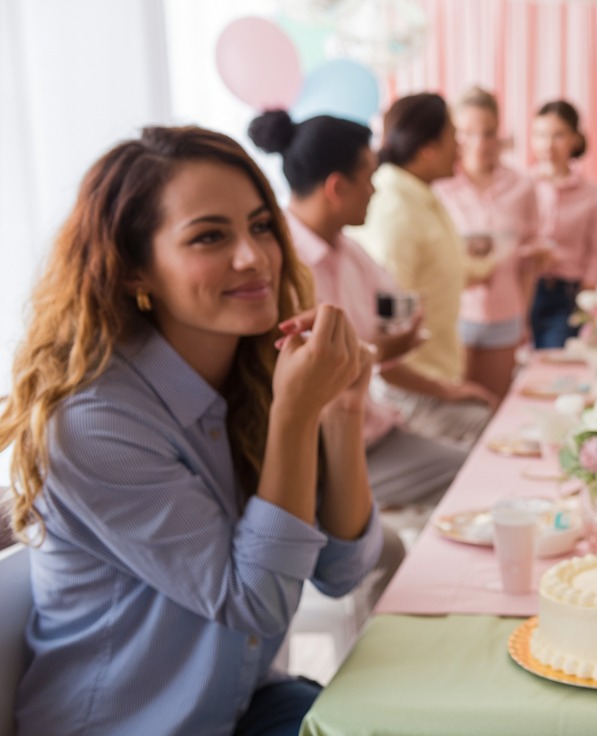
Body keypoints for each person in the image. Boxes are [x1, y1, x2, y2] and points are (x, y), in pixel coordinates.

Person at [1, 126, 384, 734]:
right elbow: (256, 603)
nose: (253, 257)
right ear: (134, 270)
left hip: (240, 706)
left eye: (261, 226)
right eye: (210, 236)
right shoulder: (94, 424)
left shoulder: (254, 375)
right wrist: (295, 415)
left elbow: (343, 571)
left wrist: (342, 411)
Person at [249, 110, 469, 510]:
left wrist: (404, 350)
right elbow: (312, 380)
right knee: (472, 482)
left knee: (478, 464)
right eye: (368, 179)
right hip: (325, 451)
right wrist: (383, 350)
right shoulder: (278, 267)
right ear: (337, 187)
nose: (374, 191)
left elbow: (395, 313)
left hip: (375, 427)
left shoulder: (350, 251)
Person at [350, 93, 497, 449]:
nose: (460, 148)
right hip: (410, 393)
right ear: (428, 149)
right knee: (494, 435)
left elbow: (449, 271)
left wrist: (502, 260)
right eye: (454, 137)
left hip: (435, 379)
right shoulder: (396, 213)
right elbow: (384, 335)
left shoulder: (424, 198)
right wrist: (445, 390)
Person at [435, 87, 543, 399]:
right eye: (468, 133)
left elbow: (528, 263)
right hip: (454, 316)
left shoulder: (522, 186)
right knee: (456, 408)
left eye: (489, 133)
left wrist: (523, 318)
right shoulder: (439, 187)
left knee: (494, 406)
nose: (480, 143)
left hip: (505, 314)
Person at [529, 100, 597, 349]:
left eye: (558, 135)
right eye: (540, 135)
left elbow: (596, 252)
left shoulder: (592, 195)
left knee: (553, 357)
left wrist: (586, 297)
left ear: (575, 139)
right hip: (523, 288)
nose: (547, 145)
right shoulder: (522, 186)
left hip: (566, 296)